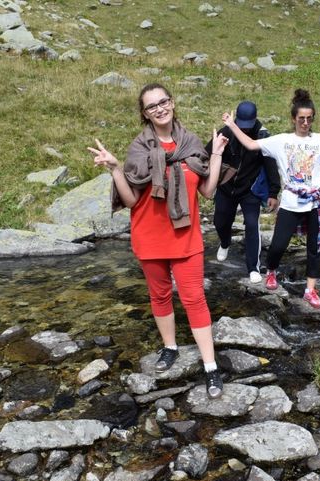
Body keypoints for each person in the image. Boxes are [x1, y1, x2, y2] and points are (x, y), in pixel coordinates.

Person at [88, 83, 229, 398]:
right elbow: (131, 201)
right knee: (160, 295)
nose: (160, 108)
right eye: (152, 106)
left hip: (186, 236)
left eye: (163, 102)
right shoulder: (138, 150)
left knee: (194, 298)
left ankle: (210, 367)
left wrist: (216, 155)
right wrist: (115, 169)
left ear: (173, 103)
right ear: (144, 113)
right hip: (150, 236)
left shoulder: (192, 143)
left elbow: (207, 191)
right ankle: (170, 347)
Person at [221, 89, 320, 309]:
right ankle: (271, 271)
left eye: (309, 118)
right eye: (301, 118)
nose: (305, 122)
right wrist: (231, 125)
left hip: (315, 202)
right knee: (278, 245)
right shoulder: (281, 141)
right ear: (293, 119)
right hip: (290, 202)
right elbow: (251, 145)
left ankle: (310, 290)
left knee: (314, 248)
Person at [206, 101, 281, 284]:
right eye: (242, 126)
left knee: (251, 224)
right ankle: (225, 243)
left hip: (250, 189)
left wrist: (273, 192)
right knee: (220, 221)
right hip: (226, 186)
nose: (245, 130)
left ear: (255, 119)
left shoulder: (263, 136)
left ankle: (253, 268)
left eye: (248, 126)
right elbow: (207, 153)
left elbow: (271, 165)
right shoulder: (227, 130)